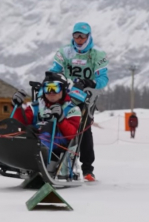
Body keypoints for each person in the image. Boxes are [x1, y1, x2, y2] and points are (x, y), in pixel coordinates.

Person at [48, 22, 109, 181]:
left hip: (87, 96)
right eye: (76, 35)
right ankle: (56, 160)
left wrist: (91, 83)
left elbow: (103, 78)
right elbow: (55, 70)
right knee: (60, 123)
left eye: (83, 36)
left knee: (84, 128)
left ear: (89, 36)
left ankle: (87, 168)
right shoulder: (65, 52)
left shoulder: (97, 54)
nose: (79, 39)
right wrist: (52, 78)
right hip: (67, 94)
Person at [12, 72, 81, 163]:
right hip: (35, 142)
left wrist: (61, 119)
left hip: (59, 145)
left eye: (55, 88)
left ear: (63, 90)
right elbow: (21, 124)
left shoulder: (72, 109)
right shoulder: (36, 107)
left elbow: (72, 135)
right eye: (47, 88)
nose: (51, 92)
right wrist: (17, 107)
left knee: (49, 126)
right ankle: (17, 155)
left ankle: (39, 156)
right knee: (29, 129)